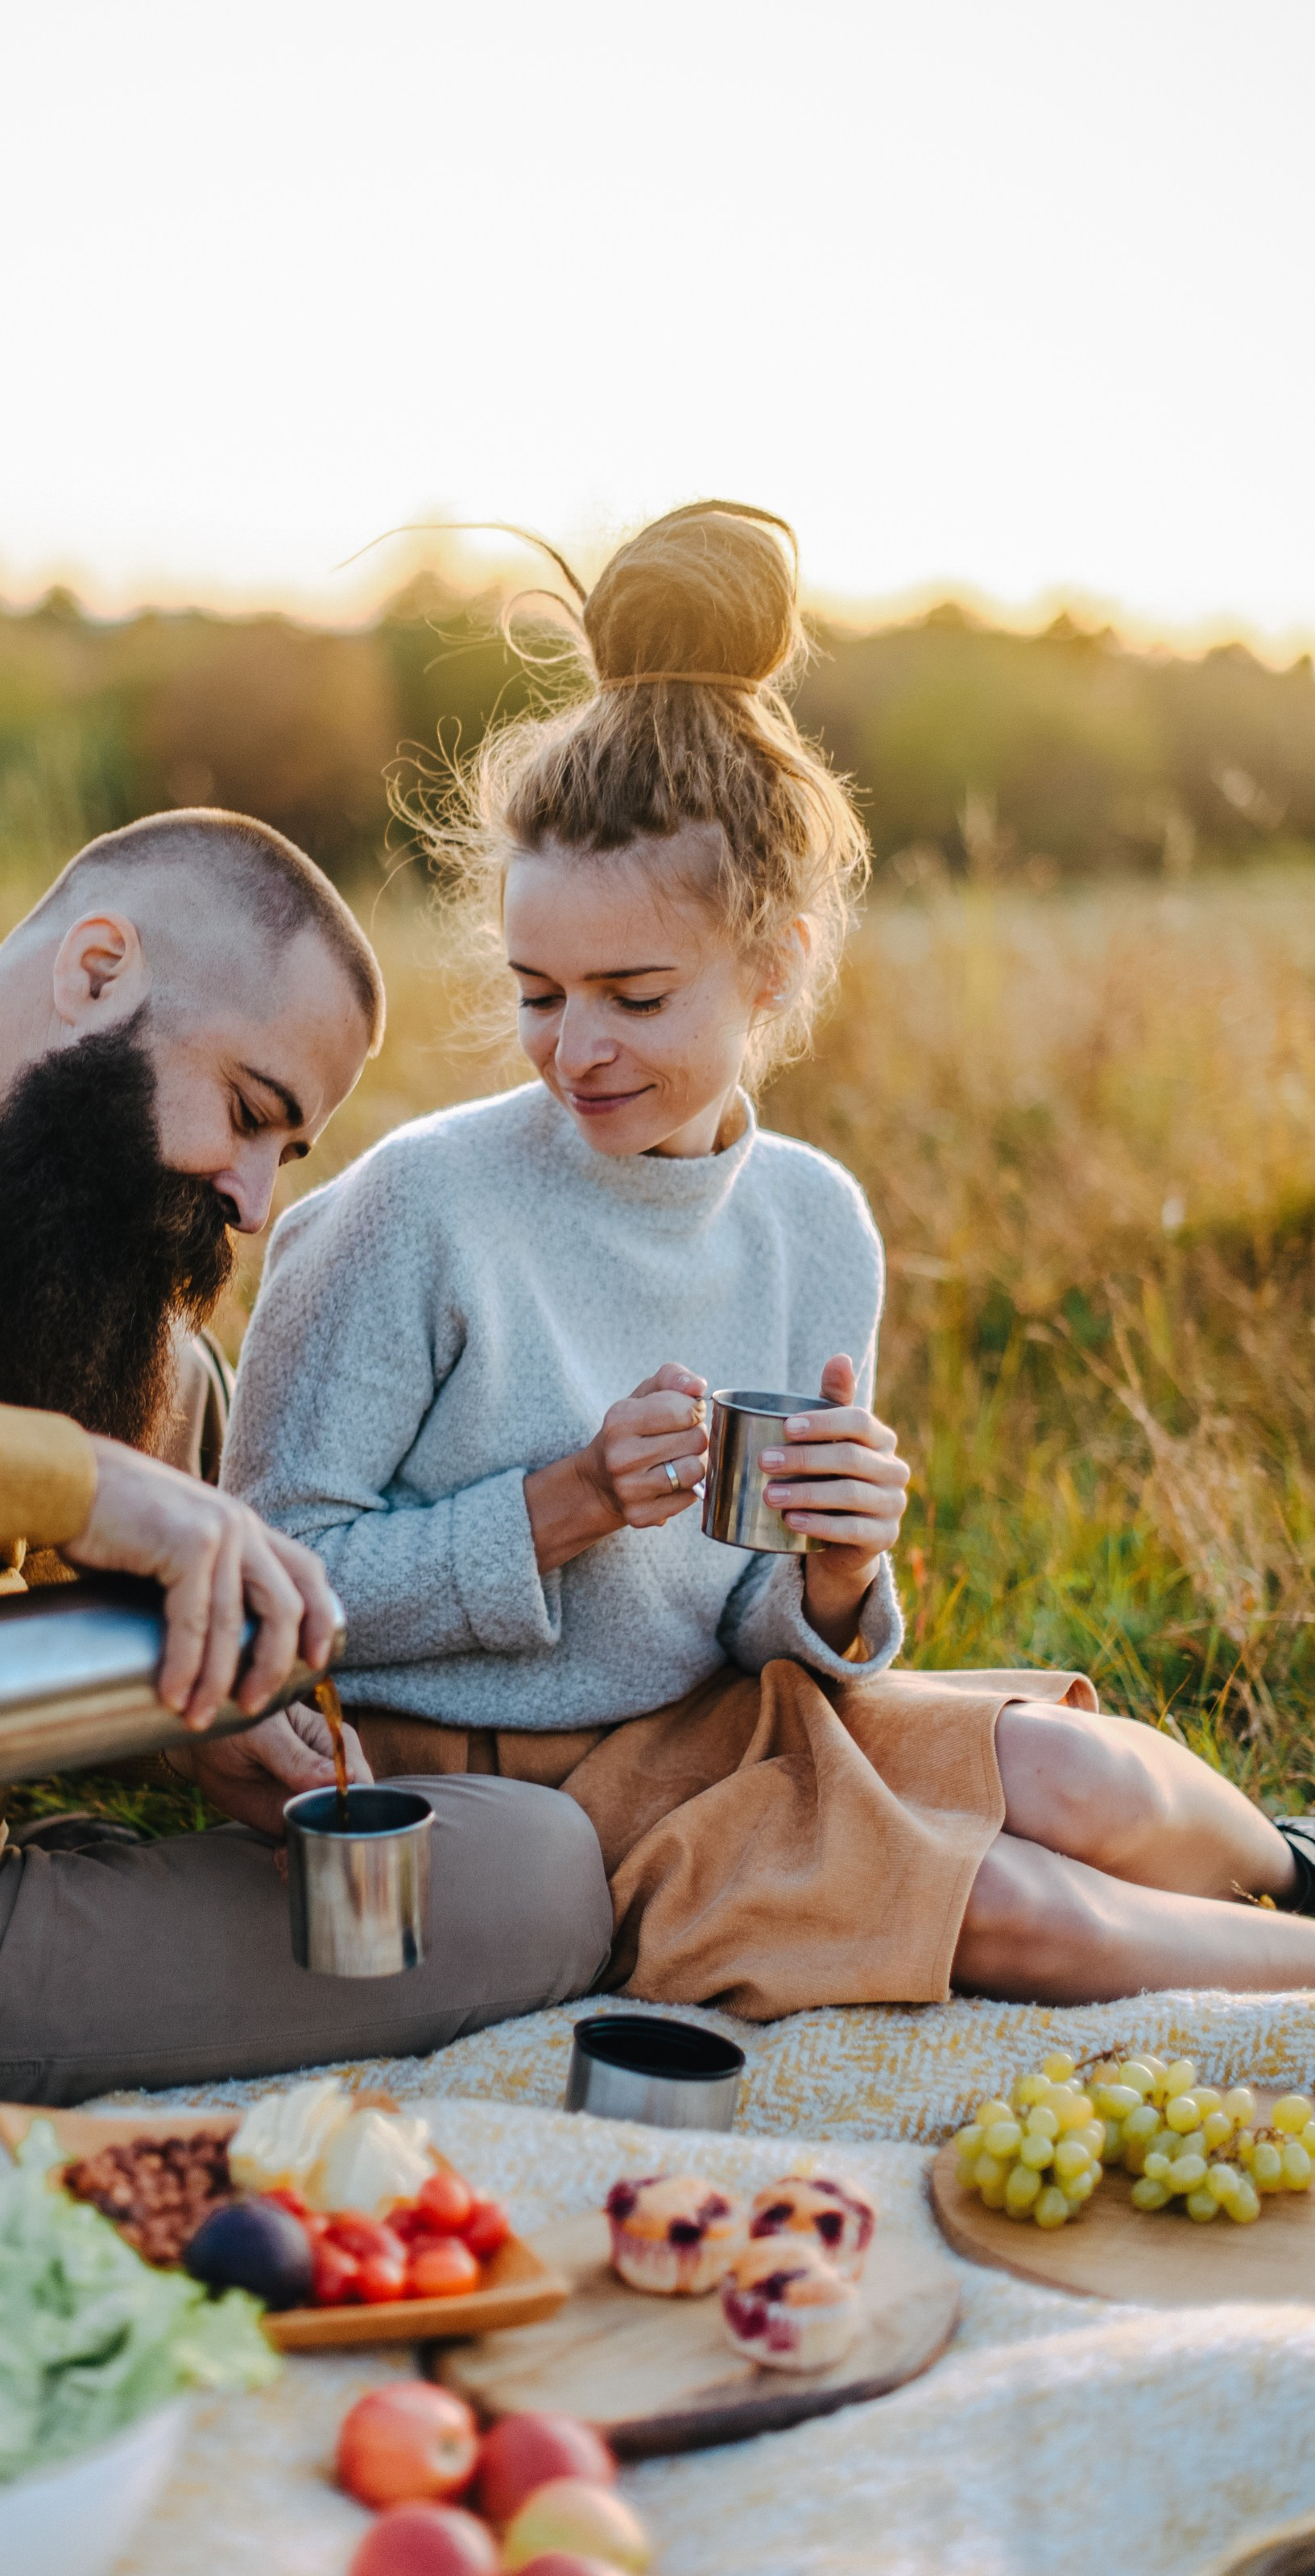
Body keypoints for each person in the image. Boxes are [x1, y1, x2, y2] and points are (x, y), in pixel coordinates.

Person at [225, 506, 1315, 2018]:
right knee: (1017, 1912)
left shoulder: (812, 1221)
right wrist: (560, 1510)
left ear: (775, 964)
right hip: (506, 1794)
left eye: (636, 994)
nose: (575, 1048)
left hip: (730, 1718)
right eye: (540, 993)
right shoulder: (418, 1210)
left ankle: (1293, 1862)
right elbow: (264, 1588)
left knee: (1086, 1776)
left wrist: (840, 1569)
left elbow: (742, 1621)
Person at [0, 809, 610, 2117]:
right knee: (528, 1880)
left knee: (176, 1378)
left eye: (282, 1155)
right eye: (249, 1113)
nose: (254, 1204)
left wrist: (179, 1741)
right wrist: (84, 1483)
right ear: (95, 971)